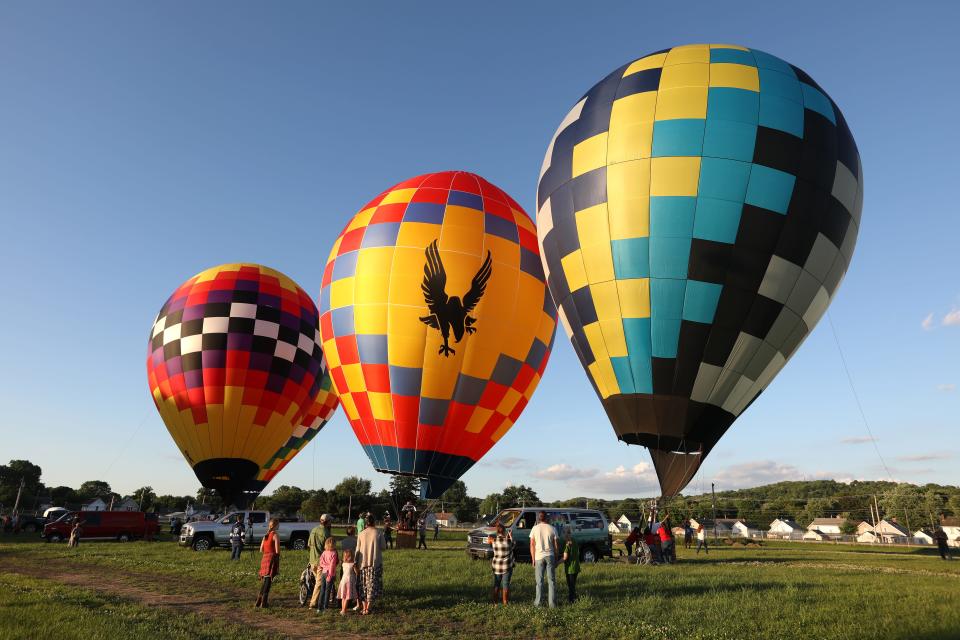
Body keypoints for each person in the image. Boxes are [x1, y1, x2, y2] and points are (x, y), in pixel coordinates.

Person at [356, 515, 385, 615]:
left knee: (363, 585)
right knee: (372, 585)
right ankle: (368, 607)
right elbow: (383, 547)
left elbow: (357, 549)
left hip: (362, 563)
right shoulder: (379, 532)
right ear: (374, 522)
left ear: (365, 523)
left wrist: (356, 562)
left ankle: (364, 608)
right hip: (375, 563)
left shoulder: (361, 533)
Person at [529, 511, 558, 608]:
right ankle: (552, 604)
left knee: (539, 582)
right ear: (547, 518)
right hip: (550, 555)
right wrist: (556, 557)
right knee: (552, 581)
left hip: (538, 557)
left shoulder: (534, 529)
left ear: (538, 518)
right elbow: (556, 546)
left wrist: (533, 559)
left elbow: (532, 544)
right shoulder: (553, 528)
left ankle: (538, 604)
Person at [487, 523, 515, 605]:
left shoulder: (494, 541)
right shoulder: (508, 541)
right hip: (507, 566)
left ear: (497, 532)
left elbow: (491, 540)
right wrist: (510, 536)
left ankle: (495, 602)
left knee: (496, 584)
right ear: (504, 532)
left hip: (496, 566)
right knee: (506, 585)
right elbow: (512, 545)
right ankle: (505, 602)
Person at [255, 518, 280, 608]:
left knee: (265, 580)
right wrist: (277, 562)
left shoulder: (265, 535)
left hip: (264, 558)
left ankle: (259, 601)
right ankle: (264, 603)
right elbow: (277, 551)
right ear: (276, 526)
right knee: (268, 581)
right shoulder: (275, 535)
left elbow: (261, 549)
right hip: (272, 558)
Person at [311, 537, 339, 611]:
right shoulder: (334, 553)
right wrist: (330, 575)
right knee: (327, 591)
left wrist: (324, 566)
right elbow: (332, 566)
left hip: (323, 573)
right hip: (330, 574)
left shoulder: (324, 552)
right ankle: (325, 606)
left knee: (322, 590)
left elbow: (321, 563)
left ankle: (319, 607)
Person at [562, 528, 580, 604]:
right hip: (576, 566)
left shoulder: (567, 545)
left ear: (566, 535)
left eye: (564, 533)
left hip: (570, 568)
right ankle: (574, 598)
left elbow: (565, 558)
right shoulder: (574, 540)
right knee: (573, 585)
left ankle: (571, 601)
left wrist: (556, 563)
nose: (564, 535)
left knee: (571, 586)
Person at [338, 548, 359, 615]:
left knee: (343, 596)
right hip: (349, 581)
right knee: (347, 596)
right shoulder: (353, 564)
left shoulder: (343, 564)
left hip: (343, 580)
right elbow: (357, 573)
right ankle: (344, 610)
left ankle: (342, 609)